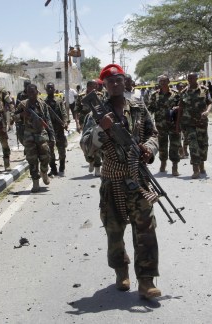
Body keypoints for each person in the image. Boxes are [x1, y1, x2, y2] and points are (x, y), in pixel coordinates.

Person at [86, 63, 161, 299]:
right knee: (114, 229)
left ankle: (147, 280)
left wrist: (149, 149)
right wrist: (101, 129)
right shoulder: (95, 114)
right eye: (110, 82)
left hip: (138, 178)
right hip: (112, 180)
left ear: (125, 81)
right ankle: (121, 271)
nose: (116, 84)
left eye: (119, 80)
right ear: (105, 86)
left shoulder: (138, 107)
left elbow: (153, 134)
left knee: (146, 229)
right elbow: (86, 147)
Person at [15, 84, 52, 192]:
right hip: (29, 135)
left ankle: (44, 172)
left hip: (41, 134)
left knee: (46, 156)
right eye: (29, 92)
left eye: (33, 92)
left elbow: (48, 120)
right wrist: (22, 115)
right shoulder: (22, 104)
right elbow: (15, 117)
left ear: (37, 92)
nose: (31, 94)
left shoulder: (42, 104)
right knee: (32, 160)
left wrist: (51, 135)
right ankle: (35, 182)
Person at [177, 72, 212, 179]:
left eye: (193, 78)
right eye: (189, 78)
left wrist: (207, 111)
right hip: (189, 123)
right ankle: (195, 169)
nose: (190, 79)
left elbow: (210, 102)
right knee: (193, 146)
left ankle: (201, 165)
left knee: (203, 145)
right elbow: (181, 109)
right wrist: (177, 124)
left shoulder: (204, 90)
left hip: (201, 123)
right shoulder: (183, 92)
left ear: (197, 78)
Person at [147, 75, 181, 175]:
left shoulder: (175, 94)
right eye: (160, 81)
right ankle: (163, 163)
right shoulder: (154, 95)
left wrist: (176, 108)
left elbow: (181, 107)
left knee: (175, 144)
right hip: (160, 125)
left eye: (164, 81)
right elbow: (150, 109)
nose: (162, 83)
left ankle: (175, 166)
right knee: (162, 145)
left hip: (173, 124)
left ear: (168, 81)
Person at [77, 79, 103, 176]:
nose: (96, 88)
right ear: (88, 87)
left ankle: (97, 167)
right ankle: (90, 160)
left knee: (97, 143)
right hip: (85, 124)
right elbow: (77, 110)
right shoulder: (81, 97)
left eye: (96, 86)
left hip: (97, 123)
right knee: (84, 143)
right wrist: (77, 124)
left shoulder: (100, 95)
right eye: (93, 86)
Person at [44, 82, 70, 176]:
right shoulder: (43, 103)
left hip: (59, 129)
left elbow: (64, 113)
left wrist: (65, 122)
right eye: (48, 88)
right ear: (46, 90)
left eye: (52, 88)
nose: (50, 89)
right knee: (50, 151)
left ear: (54, 89)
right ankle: (53, 169)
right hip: (49, 130)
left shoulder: (59, 101)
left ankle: (62, 167)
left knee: (61, 150)